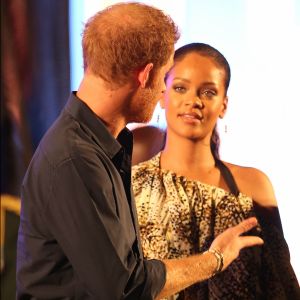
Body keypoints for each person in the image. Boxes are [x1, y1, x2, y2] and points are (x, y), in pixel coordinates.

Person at [16, 4, 264, 299]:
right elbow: (126, 288)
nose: (164, 90)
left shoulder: (105, 145)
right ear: (145, 75)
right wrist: (214, 259)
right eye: (165, 78)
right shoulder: (74, 160)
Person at [132, 43, 300, 299]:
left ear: (223, 104)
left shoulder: (253, 185)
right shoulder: (132, 186)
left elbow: (280, 286)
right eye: (180, 88)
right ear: (162, 95)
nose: (193, 101)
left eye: (208, 92)